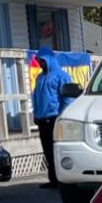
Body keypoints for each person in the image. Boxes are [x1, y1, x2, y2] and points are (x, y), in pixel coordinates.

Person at [31, 47, 68, 188]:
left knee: (56, 150)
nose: (41, 63)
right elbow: (36, 98)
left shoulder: (61, 76)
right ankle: (53, 179)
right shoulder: (40, 77)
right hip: (42, 120)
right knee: (47, 150)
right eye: (39, 61)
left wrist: (62, 116)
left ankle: (62, 180)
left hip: (55, 119)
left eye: (43, 60)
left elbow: (68, 98)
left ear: (50, 60)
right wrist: (35, 114)